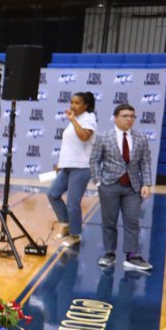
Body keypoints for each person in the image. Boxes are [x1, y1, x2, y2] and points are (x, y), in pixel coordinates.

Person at [89, 102, 154, 272]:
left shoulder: (141, 138)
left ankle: (132, 256)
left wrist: (146, 183)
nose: (129, 119)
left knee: (132, 221)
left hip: (132, 186)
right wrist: (98, 182)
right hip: (109, 185)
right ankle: (109, 253)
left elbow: (145, 162)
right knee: (109, 221)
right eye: (125, 116)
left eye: (132, 116)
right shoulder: (104, 137)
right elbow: (94, 160)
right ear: (116, 118)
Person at [47, 90, 97, 248]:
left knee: (73, 203)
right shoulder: (75, 119)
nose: (73, 105)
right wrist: (61, 164)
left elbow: (84, 137)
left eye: (77, 103)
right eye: (72, 102)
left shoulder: (89, 118)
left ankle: (75, 236)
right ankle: (66, 224)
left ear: (86, 105)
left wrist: (73, 120)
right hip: (68, 166)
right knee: (53, 194)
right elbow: (71, 145)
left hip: (81, 167)